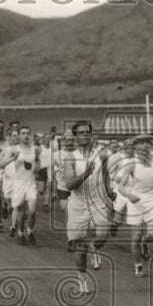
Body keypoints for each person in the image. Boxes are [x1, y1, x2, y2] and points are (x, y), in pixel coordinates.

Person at [62, 120, 110, 293]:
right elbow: (69, 185)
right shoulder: (70, 157)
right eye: (81, 133)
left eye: (87, 132)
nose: (85, 135)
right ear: (75, 136)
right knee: (78, 247)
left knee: (103, 234)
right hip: (78, 204)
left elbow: (106, 175)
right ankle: (82, 279)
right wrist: (86, 173)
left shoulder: (101, 154)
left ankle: (94, 247)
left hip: (97, 201)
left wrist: (110, 192)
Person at [115, 136, 153, 276]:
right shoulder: (131, 164)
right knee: (135, 237)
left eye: (147, 143)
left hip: (152, 200)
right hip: (135, 201)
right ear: (136, 147)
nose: (145, 146)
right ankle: (138, 265)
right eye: (141, 143)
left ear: (151, 146)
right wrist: (129, 196)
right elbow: (120, 186)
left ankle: (145, 241)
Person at [3, 125, 41, 245]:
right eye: (23, 133)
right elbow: (2, 163)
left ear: (30, 134)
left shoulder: (35, 149)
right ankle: (20, 233)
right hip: (19, 183)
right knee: (20, 210)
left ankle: (30, 231)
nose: (25, 135)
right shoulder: (14, 149)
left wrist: (37, 167)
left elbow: (38, 161)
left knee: (32, 210)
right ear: (19, 136)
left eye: (27, 133)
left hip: (31, 182)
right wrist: (12, 158)